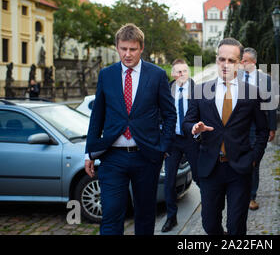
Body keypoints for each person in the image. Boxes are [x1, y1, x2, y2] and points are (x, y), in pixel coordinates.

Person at [84, 23, 176, 235]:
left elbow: (170, 114)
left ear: (141, 48)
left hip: (146, 157)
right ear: (117, 47)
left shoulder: (157, 75)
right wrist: (89, 152)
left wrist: (162, 147)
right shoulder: (106, 75)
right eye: (123, 48)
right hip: (112, 157)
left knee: (144, 216)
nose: (127, 54)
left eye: (132, 49)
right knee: (111, 215)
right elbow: (97, 115)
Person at [182, 38, 269, 235]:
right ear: (216, 60)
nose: (226, 65)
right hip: (210, 168)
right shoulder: (200, 91)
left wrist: (254, 159)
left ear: (240, 63)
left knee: (236, 227)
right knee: (210, 224)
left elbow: (263, 131)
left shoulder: (252, 92)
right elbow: (187, 122)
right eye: (222, 59)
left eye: (231, 60)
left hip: (239, 168)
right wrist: (195, 128)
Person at [161, 59, 199, 233]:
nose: (182, 74)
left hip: (192, 140)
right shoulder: (166, 91)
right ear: (173, 74)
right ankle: (171, 218)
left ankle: (210, 212)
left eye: (185, 70)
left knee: (201, 176)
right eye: (179, 71)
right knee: (169, 181)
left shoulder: (197, 91)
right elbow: (160, 116)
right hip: (173, 142)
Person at [240, 47, 277, 211]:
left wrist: (272, 127)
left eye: (245, 60)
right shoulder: (237, 77)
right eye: (241, 60)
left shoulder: (265, 80)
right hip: (239, 126)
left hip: (258, 127)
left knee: (254, 162)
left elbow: (271, 104)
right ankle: (239, 192)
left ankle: (251, 196)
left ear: (253, 62)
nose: (242, 63)